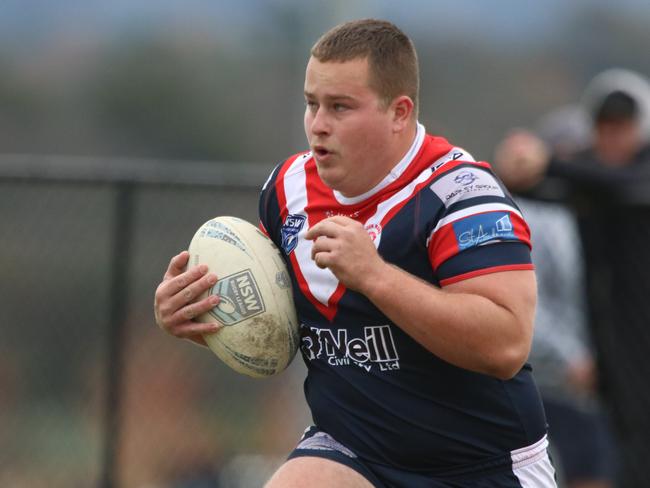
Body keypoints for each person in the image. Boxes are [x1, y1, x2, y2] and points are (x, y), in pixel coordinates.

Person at [154, 19, 556, 488]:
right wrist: (202, 313)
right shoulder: (287, 191)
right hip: (352, 449)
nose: (318, 125)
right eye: (311, 104)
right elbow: (274, 316)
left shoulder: (460, 195)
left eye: (340, 107)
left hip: (477, 465)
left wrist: (375, 276)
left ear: (399, 113)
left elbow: (505, 345)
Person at [495, 69, 650, 488]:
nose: (614, 139)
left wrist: (549, 162)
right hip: (611, 359)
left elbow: (622, 187)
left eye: (623, 127)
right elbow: (544, 191)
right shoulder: (591, 183)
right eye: (605, 128)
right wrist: (515, 172)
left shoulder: (632, 176)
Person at [497, 105, 616, 488]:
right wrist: (574, 358)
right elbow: (530, 303)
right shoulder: (530, 214)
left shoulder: (594, 211)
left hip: (593, 382)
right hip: (547, 381)